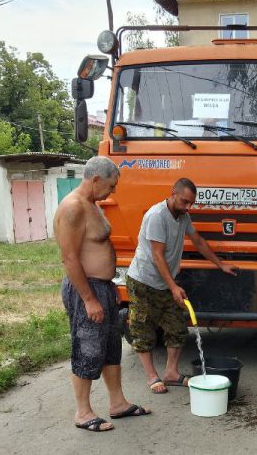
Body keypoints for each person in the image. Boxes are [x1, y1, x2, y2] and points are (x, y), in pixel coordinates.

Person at [53, 157, 150, 432]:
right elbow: (70, 259)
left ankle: (117, 403)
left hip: (104, 287)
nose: (113, 192)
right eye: (111, 186)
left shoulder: (92, 206)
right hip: (87, 289)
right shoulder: (73, 208)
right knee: (87, 348)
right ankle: (83, 412)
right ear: (96, 180)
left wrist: (109, 290)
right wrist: (89, 299)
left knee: (110, 347)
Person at [127, 178, 237, 393]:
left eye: (191, 204)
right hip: (144, 280)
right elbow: (158, 256)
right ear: (173, 193)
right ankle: (152, 377)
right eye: (184, 201)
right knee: (143, 330)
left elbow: (198, 241)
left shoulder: (183, 216)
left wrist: (220, 264)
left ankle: (171, 373)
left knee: (177, 326)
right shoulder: (157, 216)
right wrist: (174, 287)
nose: (188, 207)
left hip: (165, 282)